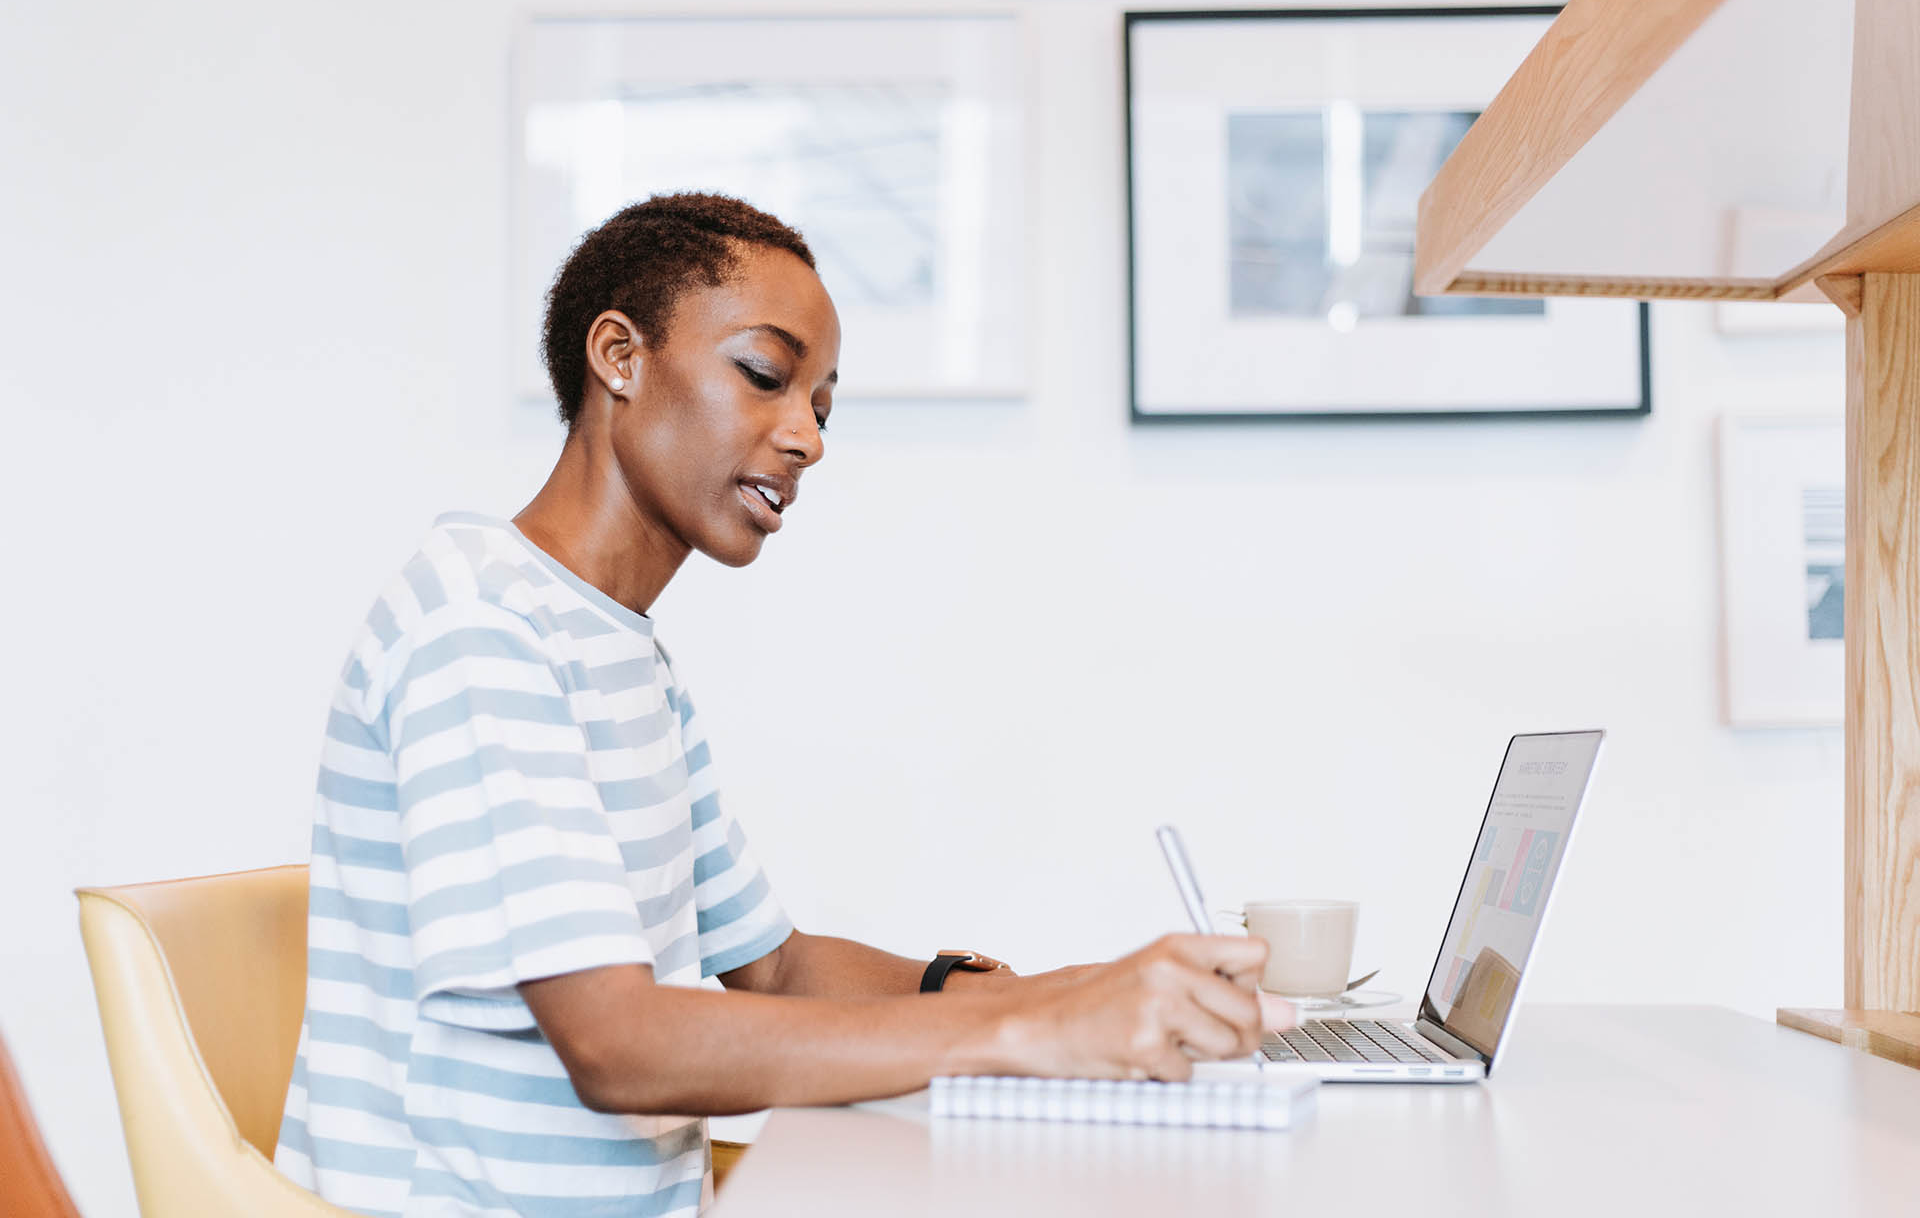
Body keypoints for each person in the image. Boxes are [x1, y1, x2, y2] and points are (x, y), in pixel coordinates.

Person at [274, 192, 1287, 1218]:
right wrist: (1029, 1034)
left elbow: (777, 963)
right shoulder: (481, 625)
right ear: (619, 357)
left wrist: (1078, 992)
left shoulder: (619, 647)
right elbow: (617, 1044)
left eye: (821, 406)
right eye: (764, 376)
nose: (805, 437)